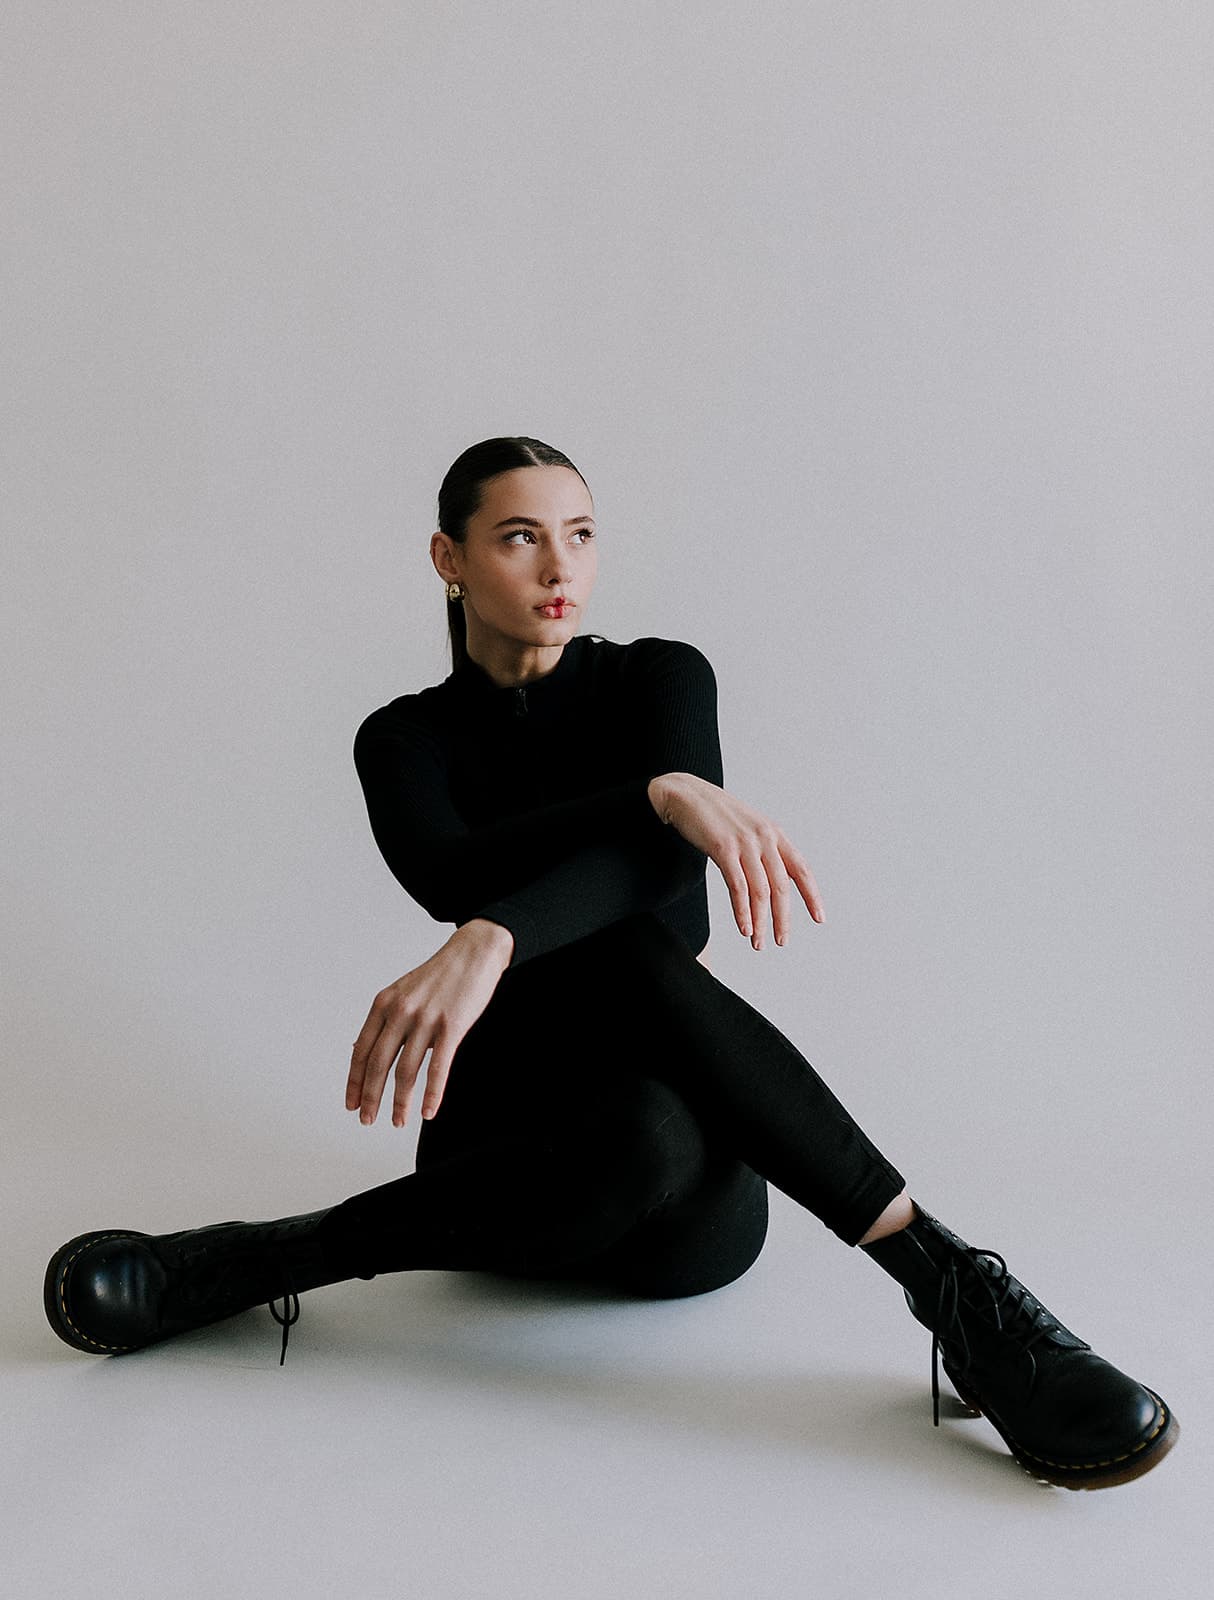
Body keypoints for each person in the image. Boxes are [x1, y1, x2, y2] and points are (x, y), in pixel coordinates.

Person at [44, 436, 1177, 1491]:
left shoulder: (659, 681)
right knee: (609, 1022)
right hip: (506, 1145)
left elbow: (658, 885)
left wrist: (502, 927)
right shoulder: (404, 738)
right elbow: (451, 864)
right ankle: (951, 1289)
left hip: (689, 1188)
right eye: (520, 535)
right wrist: (645, 800)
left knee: (633, 996)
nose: (560, 564)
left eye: (580, 533)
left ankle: (956, 1291)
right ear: (449, 557)